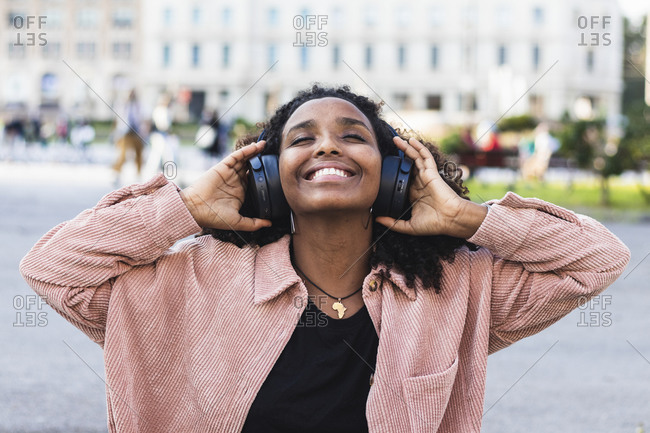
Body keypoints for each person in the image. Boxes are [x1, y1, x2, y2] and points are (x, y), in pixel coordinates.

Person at [20, 85, 630, 433]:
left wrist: (468, 219)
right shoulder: (194, 284)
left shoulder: (454, 290)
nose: (328, 145)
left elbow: (596, 259)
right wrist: (186, 208)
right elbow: (54, 267)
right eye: (302, 138)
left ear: (395, 174)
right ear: (266, 176)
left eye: (353, 134)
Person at [112, 90, 144, 182]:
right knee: (122, 154)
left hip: (136, 132)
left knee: (139, 153)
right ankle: (116, 173)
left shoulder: (138, 105)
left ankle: (138, 173)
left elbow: (141, 118)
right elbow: (117, 119)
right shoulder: (122, 105)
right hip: (124, 132)